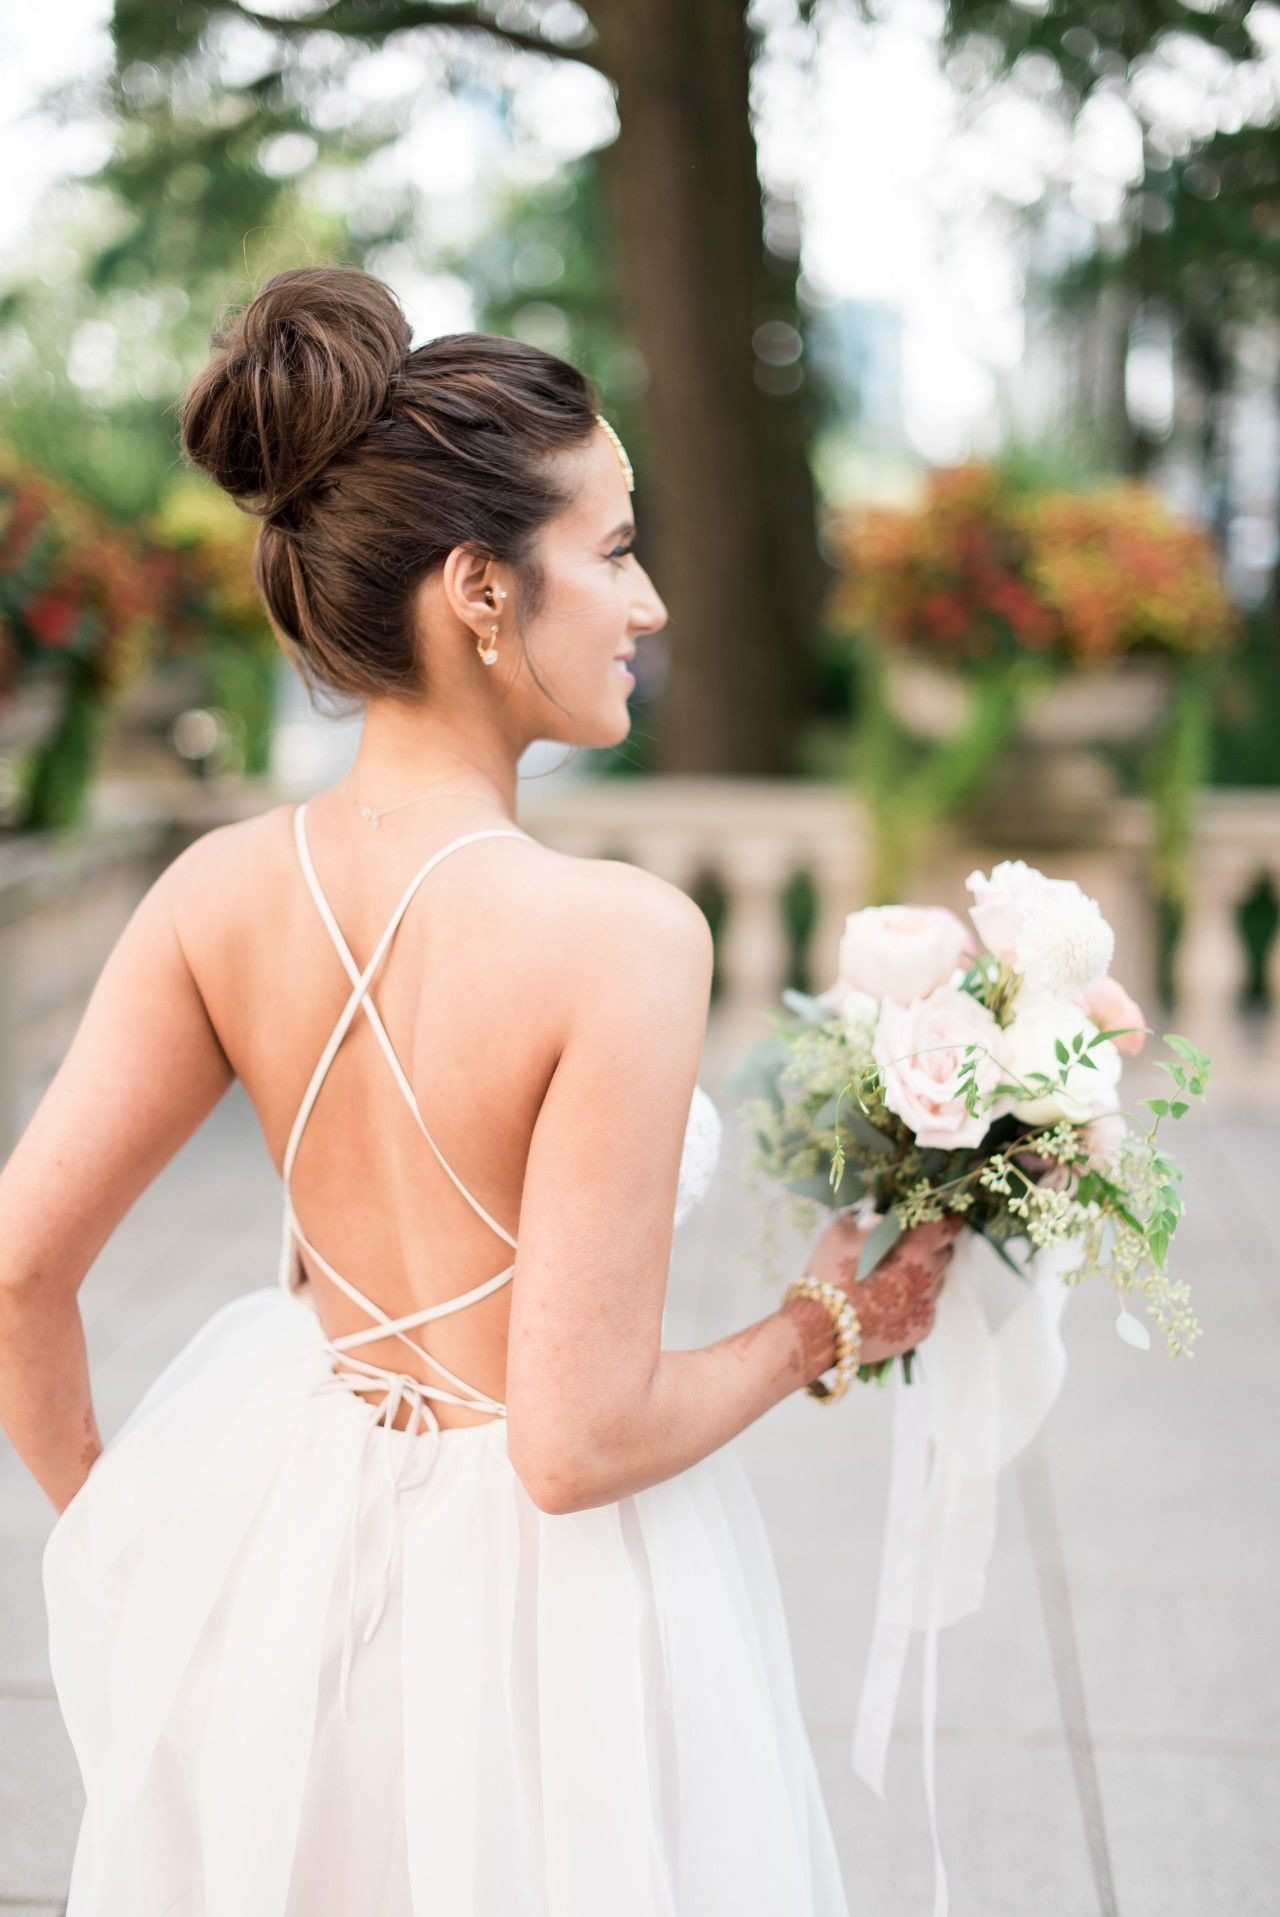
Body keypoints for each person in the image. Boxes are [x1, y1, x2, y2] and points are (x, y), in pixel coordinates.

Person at [0, 265, 956, 1915]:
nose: (648, 603)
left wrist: (132, 1545)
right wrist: (828, 1324)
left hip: (283, 1557)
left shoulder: (215, 894)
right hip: (549, 1629)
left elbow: (18, 1266)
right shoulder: (624, 938)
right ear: (479, 590)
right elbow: (574, 1445)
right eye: (615, 547)